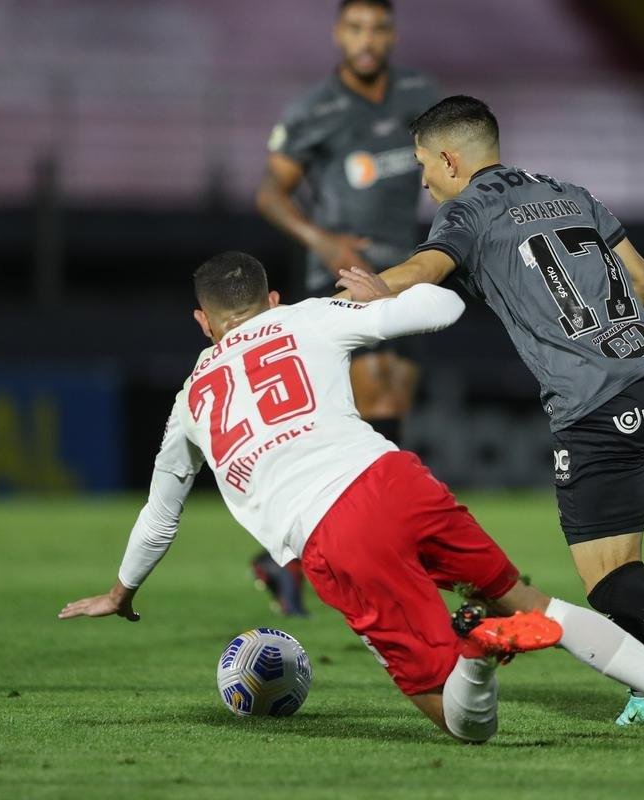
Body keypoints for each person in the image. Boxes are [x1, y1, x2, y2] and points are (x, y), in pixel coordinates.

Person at [58, 251, 644, 744]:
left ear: (203, 324)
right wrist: (381, 294)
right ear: (269, 302)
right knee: (532, 602)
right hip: (395, 479)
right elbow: (440, 306)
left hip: (333, 533)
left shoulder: (189, 401)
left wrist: (121, 591)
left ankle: (476, 651)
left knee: (461, 724)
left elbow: (160, 515)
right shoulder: (306, 318)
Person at [337, 96, 644, 730]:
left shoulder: (469, 209)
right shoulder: (567, 191)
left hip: (596, 403)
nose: (423, 181)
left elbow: (429, 267)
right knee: (621, 564)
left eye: (424, 165)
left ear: (450, 158)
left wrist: (378, 287)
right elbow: (643, 279)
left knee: (609, 587)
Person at [251, 0, 441, 612]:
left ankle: (287, 557)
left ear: (392, 33)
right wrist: (322, 240)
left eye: (378, 27)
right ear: (338, 33)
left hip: (402, 276)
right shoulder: (316, 110)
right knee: (375, 397)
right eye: (356, 27)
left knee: (386, 408)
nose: (367, 39)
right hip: (342, 275)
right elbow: (270, 193)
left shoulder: (419, 93)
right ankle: (380, 551)